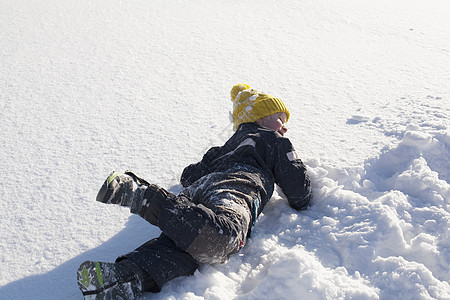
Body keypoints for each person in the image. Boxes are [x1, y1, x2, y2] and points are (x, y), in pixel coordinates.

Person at [76, 83, 312, 299]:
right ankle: (143, 196)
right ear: (260, 119)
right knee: (223, 238)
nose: (285, 126)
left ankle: (123, 277)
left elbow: (189, 177)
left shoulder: (222, 149)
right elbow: (299, 193)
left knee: (187, 245)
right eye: (280, 119)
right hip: (234, 191)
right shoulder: (274, 140)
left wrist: (212, 162)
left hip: (198, 194)